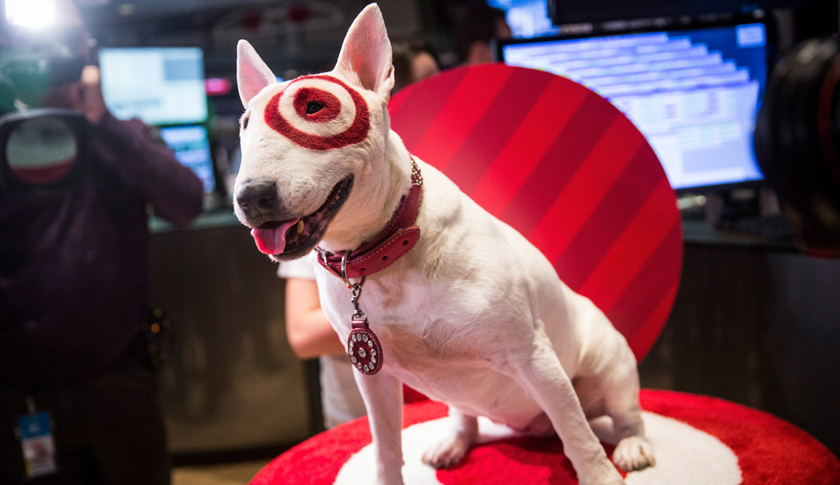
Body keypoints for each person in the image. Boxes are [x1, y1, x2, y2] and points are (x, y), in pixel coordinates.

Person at [0, 5, 205, 483]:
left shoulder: (121, 136)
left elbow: (186, 203)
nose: (53, 56)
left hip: (119, 380)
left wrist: (102, 121)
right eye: (34, 47)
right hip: (21, 388)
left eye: (68, 42)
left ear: (87, 52)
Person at [279, 44, 437, 428]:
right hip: (360, 418)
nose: (441, 91)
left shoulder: (440, 185)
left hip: (453, 407)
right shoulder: (326, 198)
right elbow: (303, 333)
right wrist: (421, 312)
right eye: (428, 82)